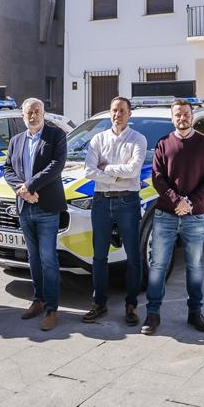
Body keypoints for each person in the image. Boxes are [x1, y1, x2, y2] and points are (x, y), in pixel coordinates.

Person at [142, 98, 204, 336]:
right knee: (158, 265)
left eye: (185, 114)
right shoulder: (163, 143)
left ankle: (195, 311)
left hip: (195, 216)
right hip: (166, 214)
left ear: (191, 115)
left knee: (195, 266)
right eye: (177, 115)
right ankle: (153, 313)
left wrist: (191, 202)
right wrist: (177, 200)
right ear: (172, 118)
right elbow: (157, 177)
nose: (182, 118)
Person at [2, 97, 68, 331]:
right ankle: (38, 299)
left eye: (37, 111)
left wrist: (30, 186)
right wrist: (22, 190)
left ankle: (52, 308)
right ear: (23, 116)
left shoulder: (55, 136)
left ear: (44, 113)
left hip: (47, 206)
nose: (33, 115)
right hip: (25, 207)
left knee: (48, 258)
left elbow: (56, 166)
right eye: (29, 112)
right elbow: (7, 169)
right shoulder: (16, 140)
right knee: (33, 258)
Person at [82, 96, 147, 325]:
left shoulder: (138, 139)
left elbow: (134, 170)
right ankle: (99, 303)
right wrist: (119, 174)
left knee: (133, 256)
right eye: (113, 110)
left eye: (121, 111)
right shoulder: (98, 139)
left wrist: (106, 168)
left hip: (128, 202)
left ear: (129, 114)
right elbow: (89, 171)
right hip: (101, 202)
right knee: (99, 256)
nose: (117, 114)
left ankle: (131, 305)